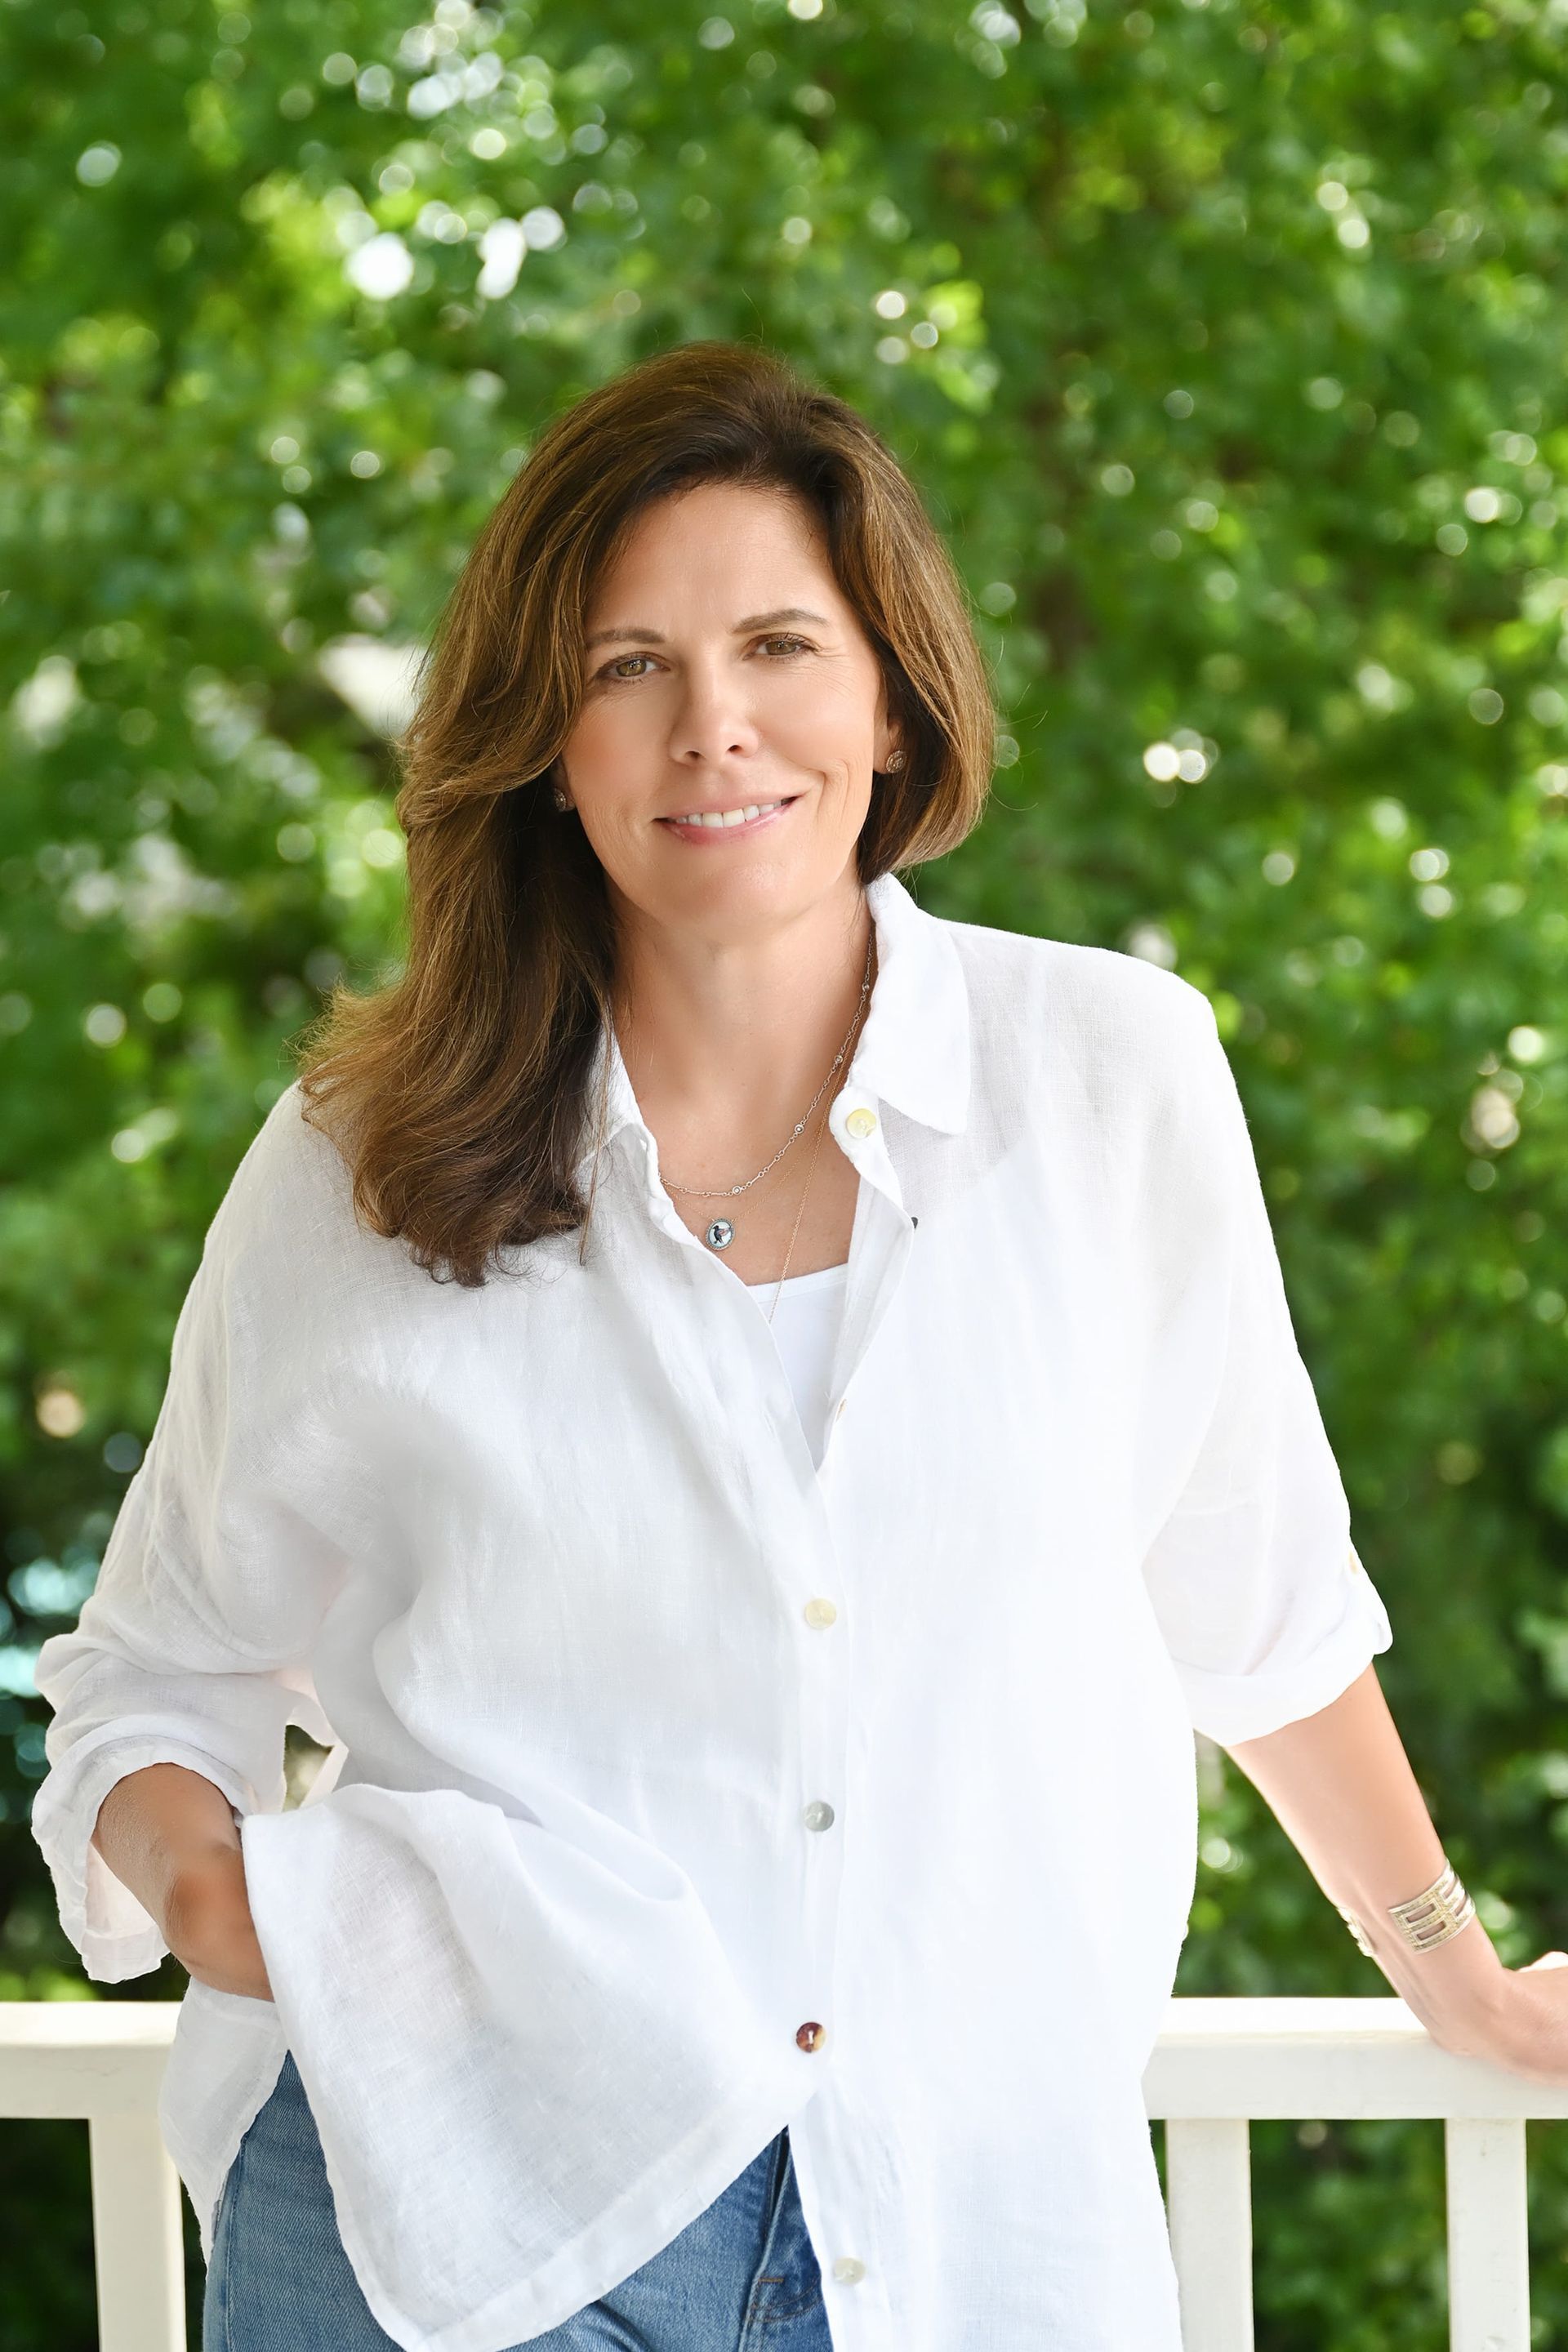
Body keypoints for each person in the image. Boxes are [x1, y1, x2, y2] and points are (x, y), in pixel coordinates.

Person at [29, 340, 1568, 2352]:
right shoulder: (363, 1165)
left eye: (778, 646)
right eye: (629, 667)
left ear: (892, 697)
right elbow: (150, 1674)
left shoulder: (1107, 1078)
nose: (714, 728)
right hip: (457, 2213)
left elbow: (1254, 1601)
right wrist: (249, 1923)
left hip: (966, 2234)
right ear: (547, 740)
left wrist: (1452, 1971)